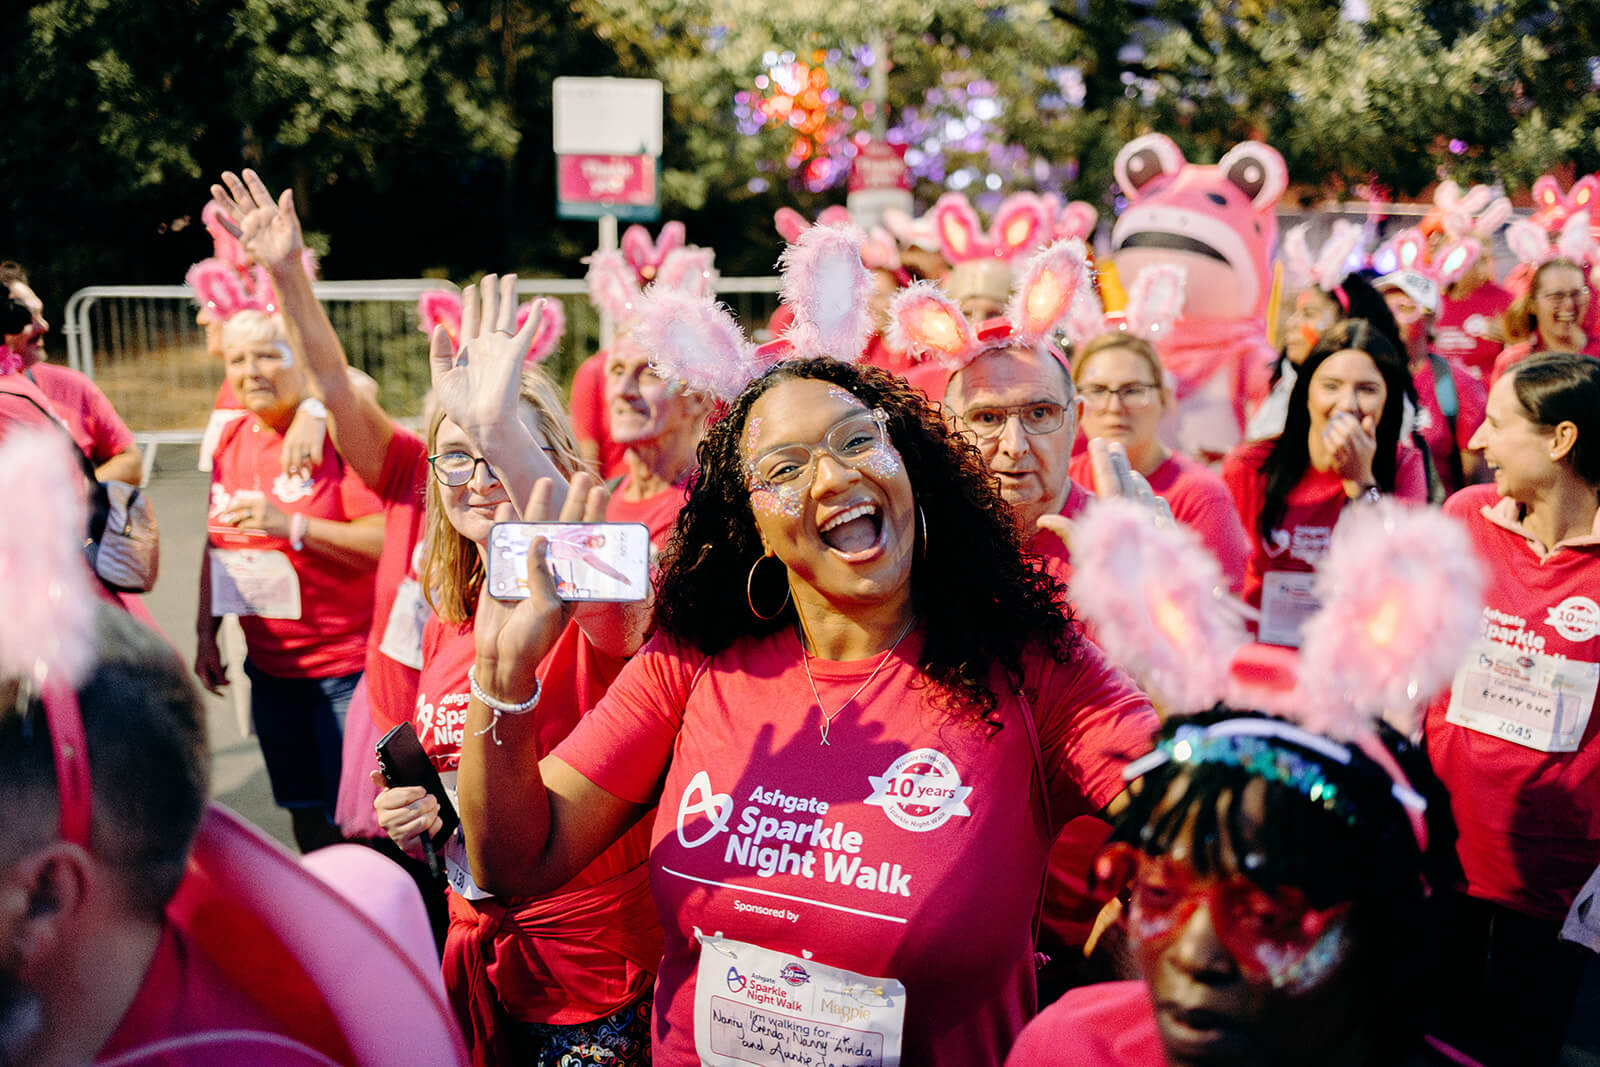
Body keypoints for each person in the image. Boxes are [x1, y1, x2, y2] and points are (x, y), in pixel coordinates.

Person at [449, 356, 1157, 1065]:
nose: (835, 476)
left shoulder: (1032, 668)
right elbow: (514, 859)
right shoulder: (693, 658)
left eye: (857, 440)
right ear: (753, 521)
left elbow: (1214, 820)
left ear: (906, 464)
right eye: (784, 468)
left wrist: (1170, 646)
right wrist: (501, 674)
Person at [372, 368, 661, 1065]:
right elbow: (469, 766)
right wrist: (419, 809)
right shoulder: (450, 615)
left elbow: (620, 609)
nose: (477, 476)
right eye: (456, 455)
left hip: (591, 975)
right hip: (484, 953)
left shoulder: (591, 601)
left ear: (550, 460)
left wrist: (512, 443)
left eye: (496, 450)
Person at [1005, 712, 1471, 1067]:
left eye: (1264, 917)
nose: (1194, 955)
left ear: (1380, 932)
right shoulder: (1075, 1047)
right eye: (1159, 894)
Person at [1423, 352, 1600, 1066]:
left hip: (1556, 880)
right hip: (1445, 857)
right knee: (1434, 1042)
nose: (1477, 441)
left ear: (1559, 440)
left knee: (1524, 1049)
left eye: (1498, 425)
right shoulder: (1464, 516)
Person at [194, 307, 384, 853]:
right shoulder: (233, 435)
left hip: (345, 672)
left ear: (298, 363)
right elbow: (216, 541)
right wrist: (207, 631)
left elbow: (382, 544)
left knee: (364, 826)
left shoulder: (340, 437)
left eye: (266, 356)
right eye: (237, 359)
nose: (251, 370)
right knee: (303, 813)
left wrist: (293, 526)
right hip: (271, 672)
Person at [1222, 320, 1427, 645]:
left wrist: (1361, 482)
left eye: (1367, 389)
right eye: (1331, 386)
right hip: (1261, 658)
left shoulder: (1404, 464)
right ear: (1306, 393)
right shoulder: (1249, 466)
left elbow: (1402, 574)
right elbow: (1224, 575)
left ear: (1388, 399)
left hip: (1352, 656)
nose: (1347, 404)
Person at [1070, 333, 1249, 591]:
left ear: (1163, 399)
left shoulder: (1202, 496)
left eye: (1133, 391)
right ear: (1075, 404)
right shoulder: (1061, 480)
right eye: (1097, 390)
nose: (1114, 406)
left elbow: (1223, 613)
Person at [1, 261, 142, 485]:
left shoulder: (71, 385)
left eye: (41, 314)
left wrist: (78, 490)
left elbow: (130, 461)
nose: (44, 326)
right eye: (25, 318)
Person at [1245, 272, 1398, 442]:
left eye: (1308, 314)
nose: (1291, 324)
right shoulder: (1283, 380)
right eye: (1330, 386)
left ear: (1347, 324)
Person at [1375, 270, 1488, 497]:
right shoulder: (1362, 377)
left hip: (1435, 522)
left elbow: (1477, 483)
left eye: (1405, 308)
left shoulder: (1457, 385)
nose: (1390, 319)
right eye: (1382, 309)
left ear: (1428, 321)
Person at [1490, 258, 1600, 385]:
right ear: (1532, 304)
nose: (1569, 304)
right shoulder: (1514, 362)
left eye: (1576, 294)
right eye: (1557, 296)